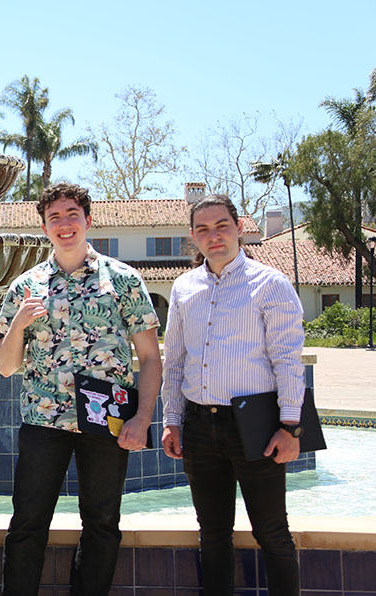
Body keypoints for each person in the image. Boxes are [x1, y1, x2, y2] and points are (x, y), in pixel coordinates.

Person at [0, 183, 162, 595]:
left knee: (102, 523)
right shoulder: (25, 286)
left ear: (88, 220)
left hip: (107, 421)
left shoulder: (123, 280)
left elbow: (152, 358)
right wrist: (18, 325)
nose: (64, 224)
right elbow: (5, 366)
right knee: (28, 522)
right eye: (55, 217)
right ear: (44, 226)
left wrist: (142, 419)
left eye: (72, 215)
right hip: (43, 420)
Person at [161, 194, 303, 595]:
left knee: (272, 532)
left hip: (255, 424)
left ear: (239, 228)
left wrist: (290, 428)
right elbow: (175, 361)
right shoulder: (184, 287)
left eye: (222, 225)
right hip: (199, 426)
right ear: (193, 236)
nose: (214, 236)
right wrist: (172, 420)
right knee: (212, 534)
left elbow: (288, 361)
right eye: (203, 229)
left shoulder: (270, 284)